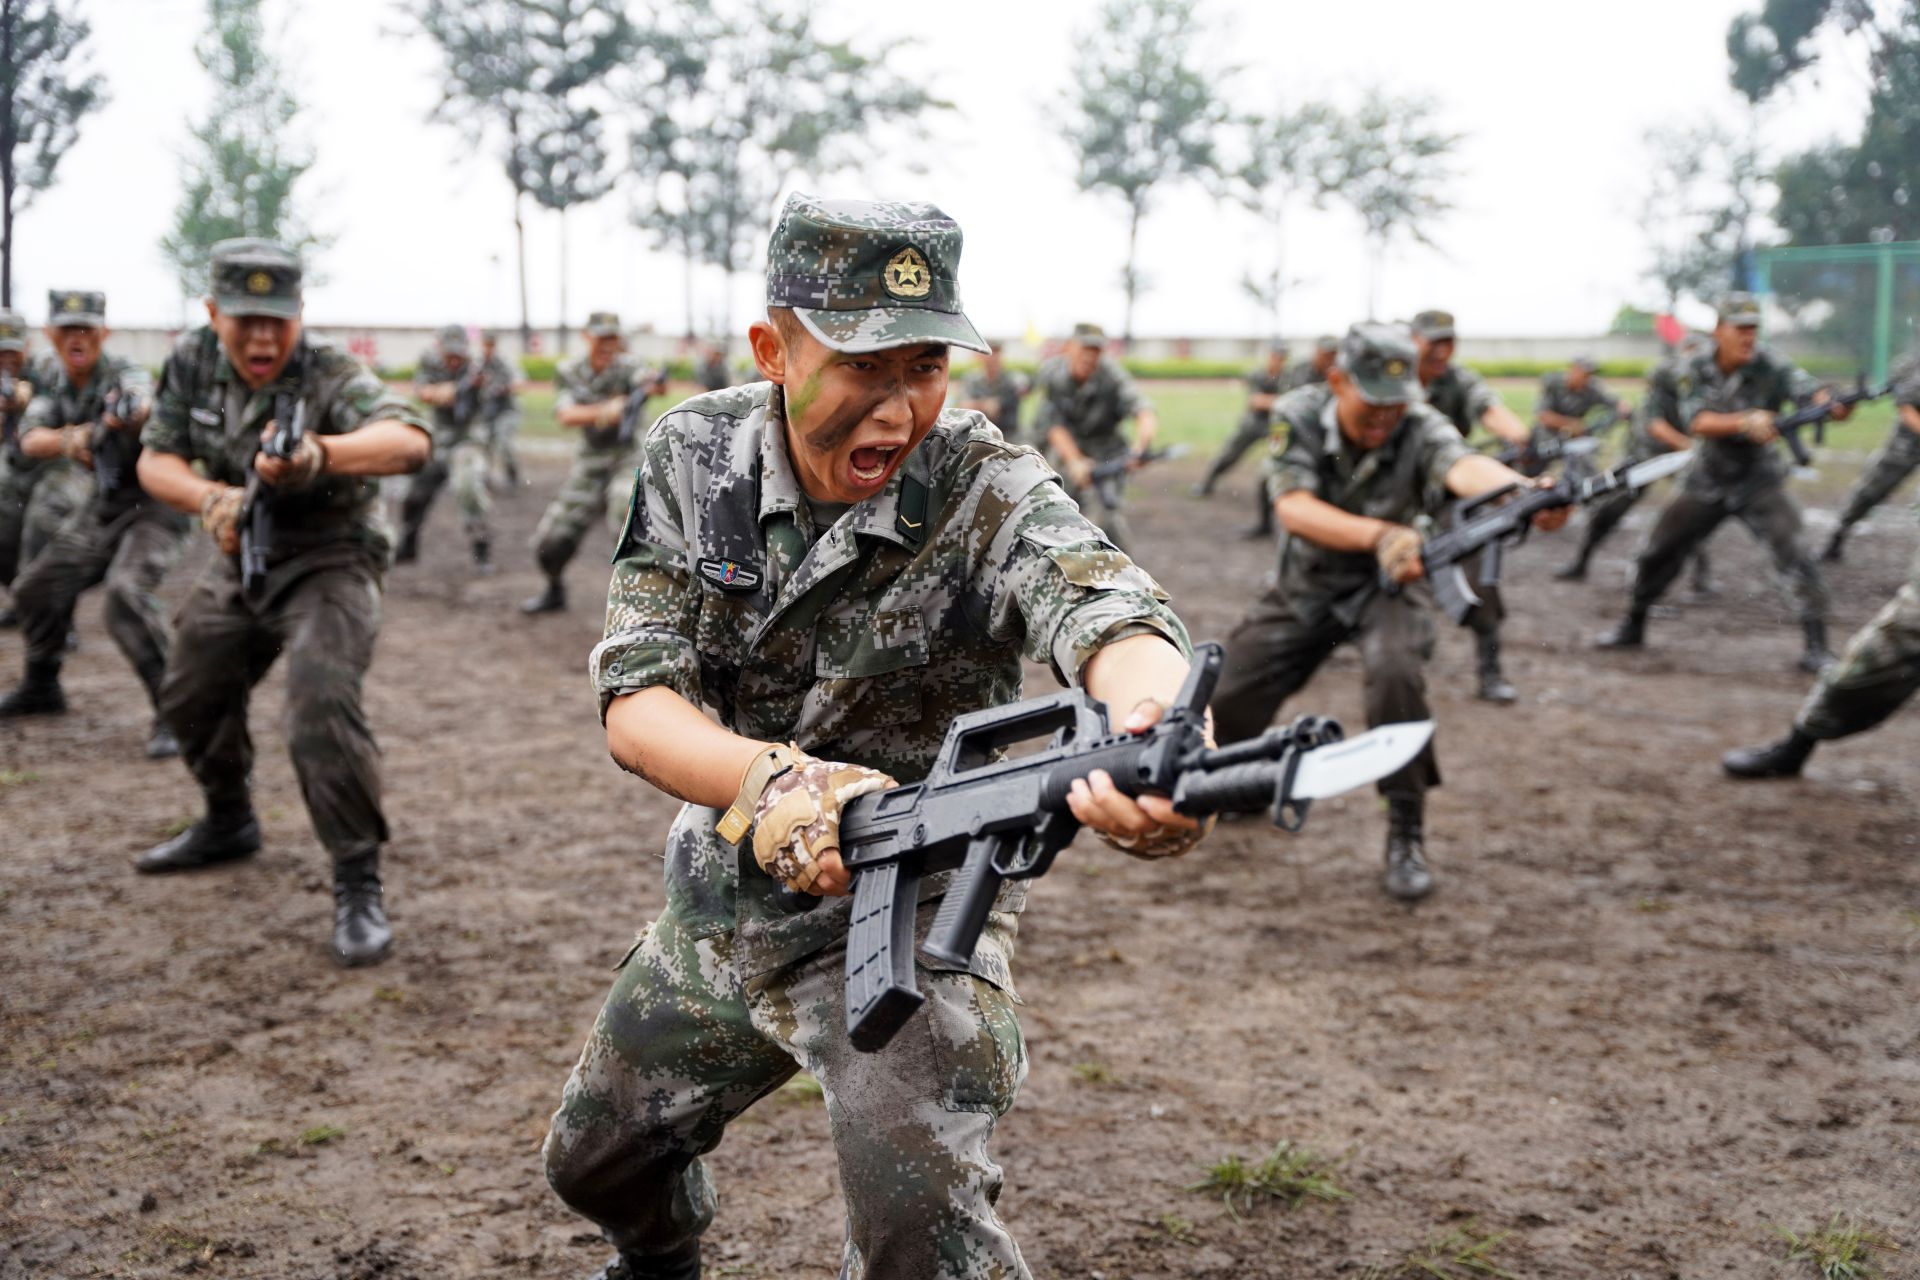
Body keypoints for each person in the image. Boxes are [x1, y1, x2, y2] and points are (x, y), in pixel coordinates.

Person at [542, 194, 1207, 1280]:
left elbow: (1108, 609)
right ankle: (663, 1257)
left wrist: (1157, 724)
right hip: (734, 890)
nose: (898, 408)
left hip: (921, 903)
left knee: (918, 1234)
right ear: (774, 347)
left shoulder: (985, 484)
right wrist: (772, 781)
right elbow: (637, 699)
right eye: (864, 365)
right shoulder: (696, 457)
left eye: (927, 367)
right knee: (594, 1163)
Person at [130, 238, 433, 968]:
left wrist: (319, 456)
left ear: (300, 314)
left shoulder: (329, 371)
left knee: (319, 703)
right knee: (188, 687)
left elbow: (410, 439)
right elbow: (154, 456)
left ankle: (357, 877)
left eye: (278, 319)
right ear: (212, 313)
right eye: (244, 320)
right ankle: (229, 818)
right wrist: (212, 497)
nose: (262, 337)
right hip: (245, 553)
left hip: (333, 557)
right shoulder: (192, 361)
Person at [1208, 322, 1570, 902]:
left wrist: (1522, 490)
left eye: (1397, 405)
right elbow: (1294, 507)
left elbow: (1460, 464)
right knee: (1227, 694)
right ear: (1338, 381)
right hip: (1311, 583)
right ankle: (1238, 786)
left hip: (1394, 586)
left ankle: (1406, 830)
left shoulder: (1419, 422)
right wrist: (1380, 533)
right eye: (1373, 402)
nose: (1385, 417)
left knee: (1397, 680)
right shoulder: (1299, 411)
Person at [1596, 293, 1852, 673]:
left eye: (1754, 329)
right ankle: (1633, 622)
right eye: (1740, 329)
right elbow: (1697, 421)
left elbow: (1806, 389)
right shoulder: (1694, 365)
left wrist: (1831, 402)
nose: (1748, 337)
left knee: (1795, 553)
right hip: (1706, 478)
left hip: (1759, 479)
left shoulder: (1770, 364)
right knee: (1658, 551)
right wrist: (1745, 421)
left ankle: (1816, 647)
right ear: (1719, 330)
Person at [0, 291, 187, 757]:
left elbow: (140, 396)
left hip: (156, 504)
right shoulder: (53, 379)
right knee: (33, 589)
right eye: (67, 330)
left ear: (104, 333)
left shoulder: (121, 372)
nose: (77, 338)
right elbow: (30, 439)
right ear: (51, 335)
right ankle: (44, 684)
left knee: (127, 594)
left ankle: (177, 714)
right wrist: (77, 436)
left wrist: (130, 413)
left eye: (86, 329)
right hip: (103, 506)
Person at [1410, 309, 1532, 703]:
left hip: (1451, 491)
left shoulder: (1458, 379)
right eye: (1434, 341)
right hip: (1389, 494)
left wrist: (1518, 435)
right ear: (1413, 340)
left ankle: (1490, 672)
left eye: (1449, 342)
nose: (1443, 351)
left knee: (1480, 576)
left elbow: (1487, 407)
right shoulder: (1391, 380)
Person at [522, 312, 667, 614]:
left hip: (627, 458)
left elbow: (650, 383)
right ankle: (554, 587)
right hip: (589, 464)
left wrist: (650, 386)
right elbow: (566, 415)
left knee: (624, 516)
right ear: (587, 336)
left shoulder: (629, 366)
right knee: (551, 540)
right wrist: (607, 410)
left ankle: (641, 605)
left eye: (612, 337)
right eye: (601, 337)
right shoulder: (570, 370)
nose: (607, 344)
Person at [1555, 336, 1713, 589]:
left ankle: (1702, 576)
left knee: (1688, 511)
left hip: (1681, 454)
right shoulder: (1663, 375)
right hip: (1646, 453)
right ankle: (1581, 563)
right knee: (1611, 508)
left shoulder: (1706, 381)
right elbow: (1655, 425)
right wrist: (1691, 447)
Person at [1030, 322, 1159, 553]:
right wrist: (1075, 461)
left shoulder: (1111, 375)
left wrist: (1141, 448)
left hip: (1107, 453)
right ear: (1070, 347)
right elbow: (1053, 425)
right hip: (1066, 451)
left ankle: (1123, 573)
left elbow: (1142, 409)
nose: (1090, 356)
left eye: (1097, 350)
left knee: (1105, 516)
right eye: (1085, 348)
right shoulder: (1052, 373)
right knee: (1055, 511)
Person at [0, 307, 89, 629]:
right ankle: (26, 604)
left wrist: (27, 401)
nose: (6, 359)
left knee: (45, 530)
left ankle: (57, 621)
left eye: (11, 351)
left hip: (58, 466)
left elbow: (67, 407)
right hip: (14, 467)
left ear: (25, 347)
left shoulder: (48, 368)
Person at [397, 324, 494, 572]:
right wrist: (448, 391)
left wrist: (476, 386)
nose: (454, 359)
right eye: (449, 353)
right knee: (415, 495)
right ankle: (408, 542)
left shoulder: (477, 368)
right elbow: (423, 391)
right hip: (438, 440)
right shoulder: (430, 363)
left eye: (458, 354)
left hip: (467, 440)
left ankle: (480, 545)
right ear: (439, 348)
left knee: (468, 486)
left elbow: (494, 394)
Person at [1820, 354, 1920, 562]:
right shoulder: (1913, 365)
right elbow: (1906, 407)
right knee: (1872, 489)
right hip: (1909, 442)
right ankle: (1838, 534)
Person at [1193, 344, 1288, 539]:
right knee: (1229, 453)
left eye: (1281, 358)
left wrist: (1270, 401)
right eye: (1275, 356)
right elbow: (1256, 401)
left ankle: (1269, 513)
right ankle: (1207, 483)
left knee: (1277, 463)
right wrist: (1279, 401)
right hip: (1253, 424)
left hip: (1276, 426)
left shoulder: (1287, 377)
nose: (1277, 361)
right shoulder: (1257, 375)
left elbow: (1276, 401)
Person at [1533, 356, 1631, 450]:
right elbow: (1543, 415)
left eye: (1590, 374)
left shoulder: (1592, 388)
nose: (1588, 378)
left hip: (1577, 435)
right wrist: (1571, 424)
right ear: (1573, 369)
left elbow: (1618, 403)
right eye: (1585, 373)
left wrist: (1620, 410)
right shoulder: (1554, 383)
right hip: (1548, 434)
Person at [958, 338, 1029, 439]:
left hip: (1010, 434)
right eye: (990, 352)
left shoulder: (1012, 378)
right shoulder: (972, 379)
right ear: (981, 356)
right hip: (980, 434)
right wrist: (985, 404)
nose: (993, 357)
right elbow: (964, 405)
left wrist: (998, 403)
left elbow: (1023, 388)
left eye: (997, 352)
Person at [479, 331, 524, 488]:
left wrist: (503, 388)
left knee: (504, 442)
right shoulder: (478, 364)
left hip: (506, 410)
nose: (488, 349)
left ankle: (512, 475)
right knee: (483, 443)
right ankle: (485, 477)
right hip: (487, 412)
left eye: (490, 345)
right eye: (485, 345)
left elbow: (519, 383)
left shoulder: (505, 363)